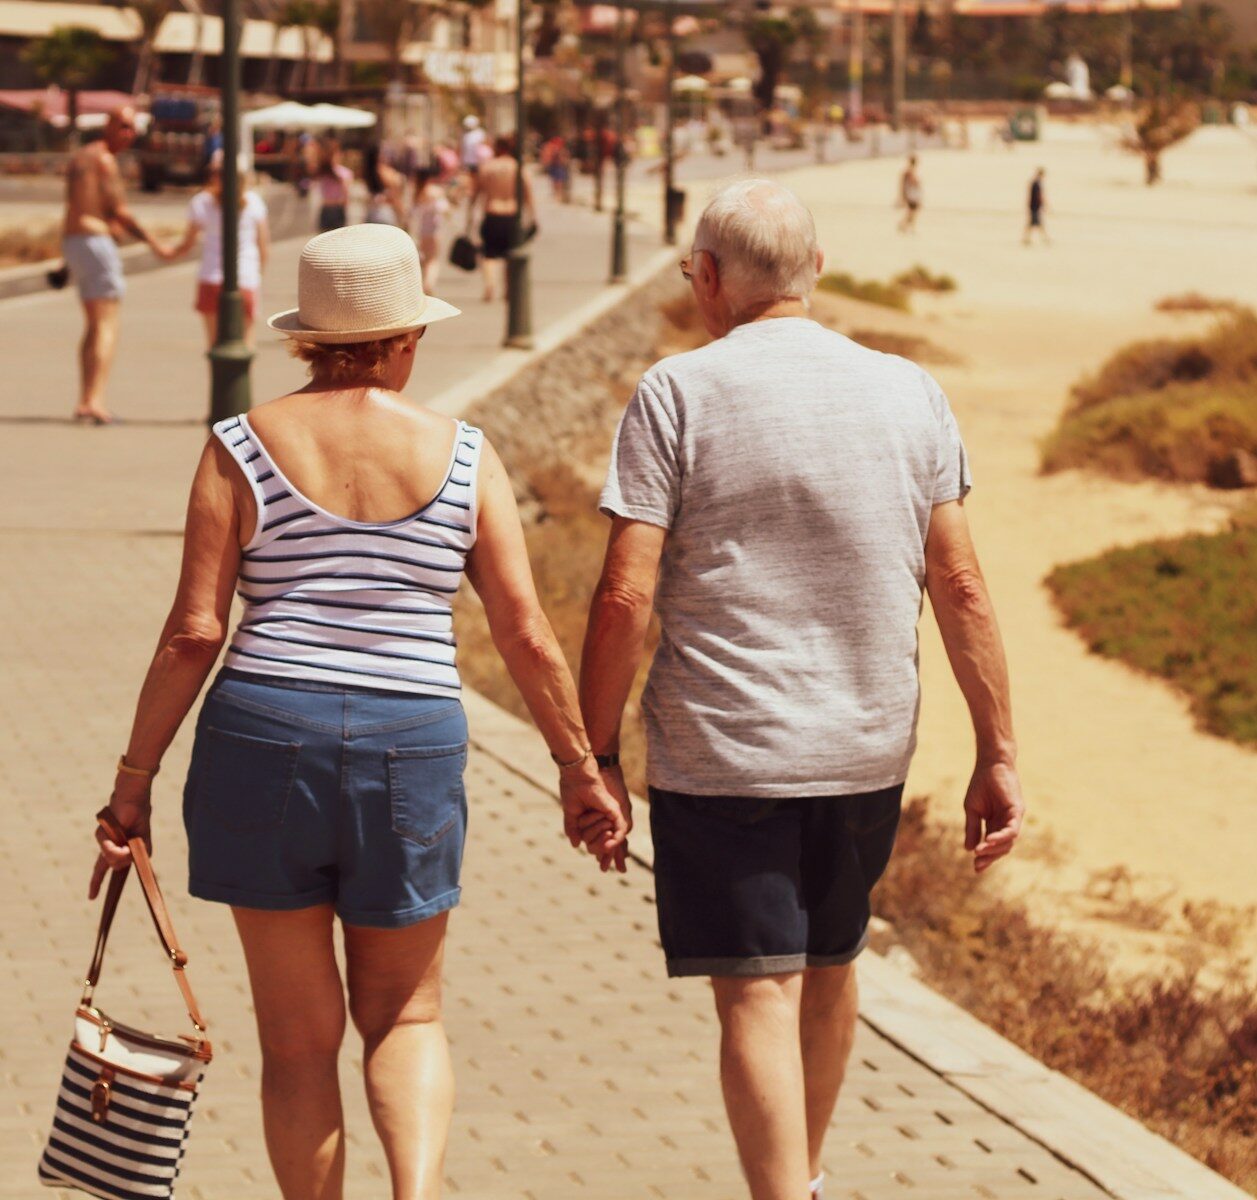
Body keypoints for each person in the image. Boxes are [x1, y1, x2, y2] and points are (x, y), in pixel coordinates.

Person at [88, 223, 627, 1200]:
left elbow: (194, 633)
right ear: (407, 337)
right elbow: (524, 633)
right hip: (410, 741)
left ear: (307, 339)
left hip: (262, 733)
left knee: (298, 1044)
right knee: (407, 1016)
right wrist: (578, 769)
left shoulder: (239, 446)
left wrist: (132, 785)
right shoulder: (463, 455)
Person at [578, 180, 1025, 1200]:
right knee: (830, 966)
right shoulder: (909, 390)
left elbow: (624, 594)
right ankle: (807, 1180)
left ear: (707, 277)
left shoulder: (678, 391)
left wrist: (591, 754)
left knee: (756, 994)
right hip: (865, 745)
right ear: (815, 271)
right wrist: (996, 750)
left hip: (726, 751)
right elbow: (959, 582)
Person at [61, 106, 171, 424]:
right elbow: (121, 211)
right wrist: (155, 244)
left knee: (94, 324)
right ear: (107, 125)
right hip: (95, 243)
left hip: (75, 241)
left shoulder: (81, 156)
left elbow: (76, 207)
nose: (128, 133)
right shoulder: (105, 160)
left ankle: (85, 398)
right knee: (107, 324)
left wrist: (64, 260)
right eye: (123, 126)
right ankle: (95, 401)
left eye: (132, 127)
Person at [165, 155, 270, 348]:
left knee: (214, 344)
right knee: (246, 341)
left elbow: (187, 244)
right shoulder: (254, 202)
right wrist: (258, 274)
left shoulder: (201, 202)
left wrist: (167, 252)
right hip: (245, 278)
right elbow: (263, 246)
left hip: (210, 277)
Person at [466, 134, 535, 303]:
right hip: (511, 216)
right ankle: (508, 290)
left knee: (489, 254)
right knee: (510, 255)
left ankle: (490, 285)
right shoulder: (518, 167)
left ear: (497, 148)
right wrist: (533, 217)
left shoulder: (487, 167)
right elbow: (528, 194)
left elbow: (475, 194)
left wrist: (469, 217)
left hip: (492, 213)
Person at [411, 165, 451, 293]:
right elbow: (444, 208)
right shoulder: (435, 191)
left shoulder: (418, 192)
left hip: (423, 231)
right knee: (433, 260)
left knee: (425, 259)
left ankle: (425, 282)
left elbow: (413, 213)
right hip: (435, 230)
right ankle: (429, 284)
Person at [315, 138, 353, 232]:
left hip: (326, 208)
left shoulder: (322, 172)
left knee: (324, 238)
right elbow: (346, 196)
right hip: (338, 209)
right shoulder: (345, 173)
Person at [364, 143, 407, 226]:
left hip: (372, 212)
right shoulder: (385, 173)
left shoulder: (370, 172)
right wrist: (402, 214)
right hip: (385, 214)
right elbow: (394, 197)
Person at [1024, 167, 1049, 246]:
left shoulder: (1034, 182)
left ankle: (1027, 239)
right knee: (1037, 223)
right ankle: (1044, 238)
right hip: (1035, 206)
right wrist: (1043, 204)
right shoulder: (1036, 183)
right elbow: (1038, 196)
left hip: (1033, 206)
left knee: (1032, 224)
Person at [898, 155, 922, 233]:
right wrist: (903, 195)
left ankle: (906, 226)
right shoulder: (908, 172)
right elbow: (905, 184)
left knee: (912, 212)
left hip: (913, 194)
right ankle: (904, 226)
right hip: (911, 194)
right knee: (911, 212)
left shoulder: (911, 171)